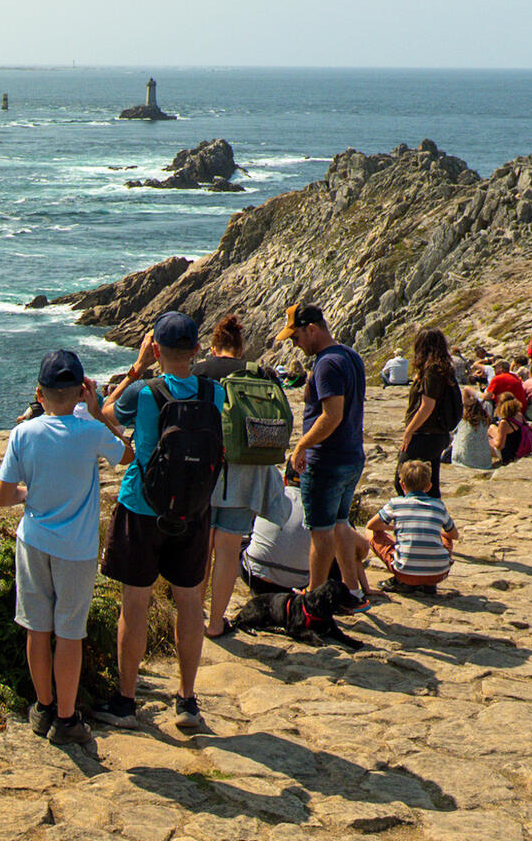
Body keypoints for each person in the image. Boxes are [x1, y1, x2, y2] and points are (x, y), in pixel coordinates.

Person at [94, 313, 224, 732]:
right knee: (189, 604)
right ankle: (186, 701)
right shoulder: (214, 392)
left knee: (135, 604)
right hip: (194, 510)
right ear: (197, 350)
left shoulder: (144, 391)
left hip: (142, 506)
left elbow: (108, 411)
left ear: (156, 350)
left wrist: (136, 368)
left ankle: (126, 702)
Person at [0, 349, 131, 744]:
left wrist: (29, 493)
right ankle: (67, 720)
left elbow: (4, 496)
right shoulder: (90, 432)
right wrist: (99, 409)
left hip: (33, 540)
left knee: (37, 628)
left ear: (40, 394)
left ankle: (43, 708)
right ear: (80, 391)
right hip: (77, 548)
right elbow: (127, 455)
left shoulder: (23, 433)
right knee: (70, 632)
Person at [189, 314, 285, 639]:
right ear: (241, 346)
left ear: (214, 346)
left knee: (202, 547)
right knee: (228, 550)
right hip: (246, 472)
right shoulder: (262, 374)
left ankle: (195, 616)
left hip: (204, 470)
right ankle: (216, 623)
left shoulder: (199, 372)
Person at [276, 304, 368, 608]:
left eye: (296, 337)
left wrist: (301, 446)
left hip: (326, 460)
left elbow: (331, 415)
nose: (296, 344)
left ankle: (315, 597)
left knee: (321, 531)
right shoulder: (350, 356)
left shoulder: (327, 364)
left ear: (312, 329)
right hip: (351, 456)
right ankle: (351, 591)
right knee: (341, 523)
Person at [241, 482, 371, 596]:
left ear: (285, 479)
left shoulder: (272, 493)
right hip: (299, 580)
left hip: (256, 577)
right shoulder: (326, 505)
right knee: (332, 541)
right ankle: (340, 593)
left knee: (240, 538)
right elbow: (361, 547)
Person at [366, 460, 458, 595]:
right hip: (438, 573)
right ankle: (428, 583)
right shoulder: (438, 505)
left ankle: (402, 581)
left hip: (405, 573)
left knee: (371, 533)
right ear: (429, 486)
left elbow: (371, 525)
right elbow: (454, 535)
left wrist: (394, 527)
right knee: (445, 534)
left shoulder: (396, 504)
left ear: (402, 484)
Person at [398, 329, 459, 499]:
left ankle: (412, 516)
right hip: (437, 434)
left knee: (402, 479)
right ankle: (436, 519)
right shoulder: (444, 369)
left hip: (425, 434)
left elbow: (427, 405)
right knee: (430, 484)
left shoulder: (432, 371)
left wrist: (409, 431)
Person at [449, 388, 494, 469]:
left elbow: (466, 389)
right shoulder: (485, 420)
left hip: (464, 462)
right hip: (485, 463)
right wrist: (478, 395)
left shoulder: (461, 419)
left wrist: (480, 395)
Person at [489, 395, 530, 465]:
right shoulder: (519, 415)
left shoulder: (504, 423)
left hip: (509, 453)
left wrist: (493, 441)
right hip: (517, 446)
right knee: (491, 427)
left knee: (481, 444)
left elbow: (499, 446)